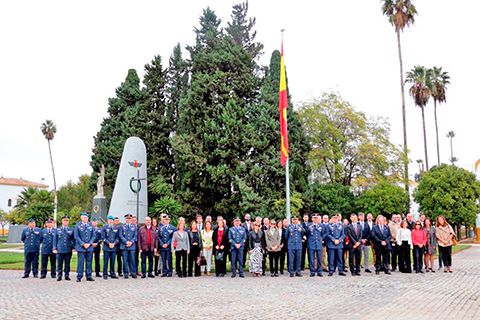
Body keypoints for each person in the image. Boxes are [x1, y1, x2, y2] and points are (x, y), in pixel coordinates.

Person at [74, 212, 95, 282]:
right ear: (81, 218)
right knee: (80, 262)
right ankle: (79, 276)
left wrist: (89, 243)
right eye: (83, 217)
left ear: (88, 218)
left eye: (86, 217)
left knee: (89, 262)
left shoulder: (90, 225)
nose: (85, 218)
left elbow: (93, 235)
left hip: (89, 247)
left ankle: (88, 276)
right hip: (81, 247)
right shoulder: (77, 225)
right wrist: (83, 244)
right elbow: (76, 236)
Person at [53, 216, 74, 281]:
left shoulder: (71, 229)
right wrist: (54, 248)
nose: (65, 222)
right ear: (62, 221)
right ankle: (59, 275)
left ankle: (67, 275)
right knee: (59, 263)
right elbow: (55, 240)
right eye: (64, 220)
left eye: (67, 221)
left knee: (67, 263)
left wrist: (73, 247)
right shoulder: (57, 230)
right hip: (60, 249)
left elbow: (73, 240)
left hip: (68, 249)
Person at [119, 213, 138, 279]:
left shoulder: (134, 226)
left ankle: (133, 273)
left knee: (132, 260)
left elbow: (135, 236)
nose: (128, 219)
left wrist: (131, 242)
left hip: (132, 246)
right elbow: (120, 235)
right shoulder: (122, 226)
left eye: (130, 218)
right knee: (125, 260)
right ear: (125, 219)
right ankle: (126, 273)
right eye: (127, 218)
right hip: (124, 246)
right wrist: (126, 242)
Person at [101, 215, 119, 279]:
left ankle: (112, 273)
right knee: (105, 261)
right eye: (109, 220)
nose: (111, 221)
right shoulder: (104, 227)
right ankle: (105, 274)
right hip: (106, 247)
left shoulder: (116, 228)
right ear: (107, 220)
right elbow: (103, 237)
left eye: (112, 220)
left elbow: (118, 237)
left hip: (114, 247)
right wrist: (109, 243)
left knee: (113, 261)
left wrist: (114, 243)